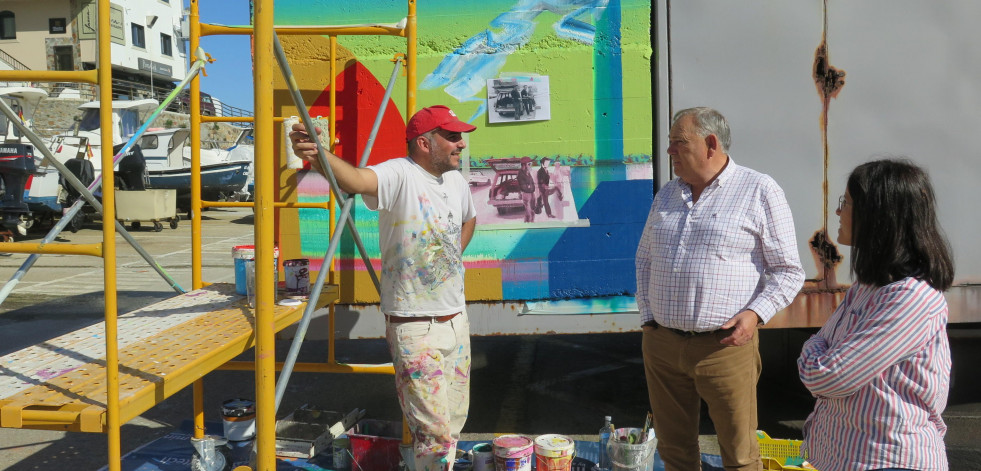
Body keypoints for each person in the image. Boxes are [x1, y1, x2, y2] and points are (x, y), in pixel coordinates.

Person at [289, 105, 477, 471]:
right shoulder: (400, 174)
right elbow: (357, 180)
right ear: (424, 142)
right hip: (413, 327)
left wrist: (449, 256)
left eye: (459, 137)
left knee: (453, 425)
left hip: (457, 321)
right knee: (434, 436)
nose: (461, 144)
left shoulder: (456, 181)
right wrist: (319, 154)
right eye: (451, 137)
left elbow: (470, 219)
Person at [635, 107, 805, 471]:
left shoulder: (759, 190)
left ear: (711, 144)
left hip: (726, 347)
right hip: (663, 345)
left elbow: (789, 271)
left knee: (740, 454)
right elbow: (644, 259)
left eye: (678, 143)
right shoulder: (667, 195)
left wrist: (755, 314)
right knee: (675, 450)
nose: (670, 152)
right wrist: (649, 319)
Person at [798, 159, 954, 471]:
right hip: (844, 458)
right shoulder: (867, 286)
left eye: (848, 203)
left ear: (880, 217)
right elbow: (824, 353)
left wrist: (815, 351)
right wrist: (819, 350)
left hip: (887, 460)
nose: (838, 212)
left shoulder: (911, 298)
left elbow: (827, 375)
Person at [517, 156, 536, 222]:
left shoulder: (528, 172)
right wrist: (529, 187)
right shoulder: (520, 173)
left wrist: (531, 188)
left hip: (531, 193)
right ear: (524, 165)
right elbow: (523, 187)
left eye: (530, 164)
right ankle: (528, 224)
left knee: (532, 210)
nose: (531, 165)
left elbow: (532, 183)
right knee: (529, 211)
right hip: (526, 194)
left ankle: (530, 223)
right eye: (529, 164)